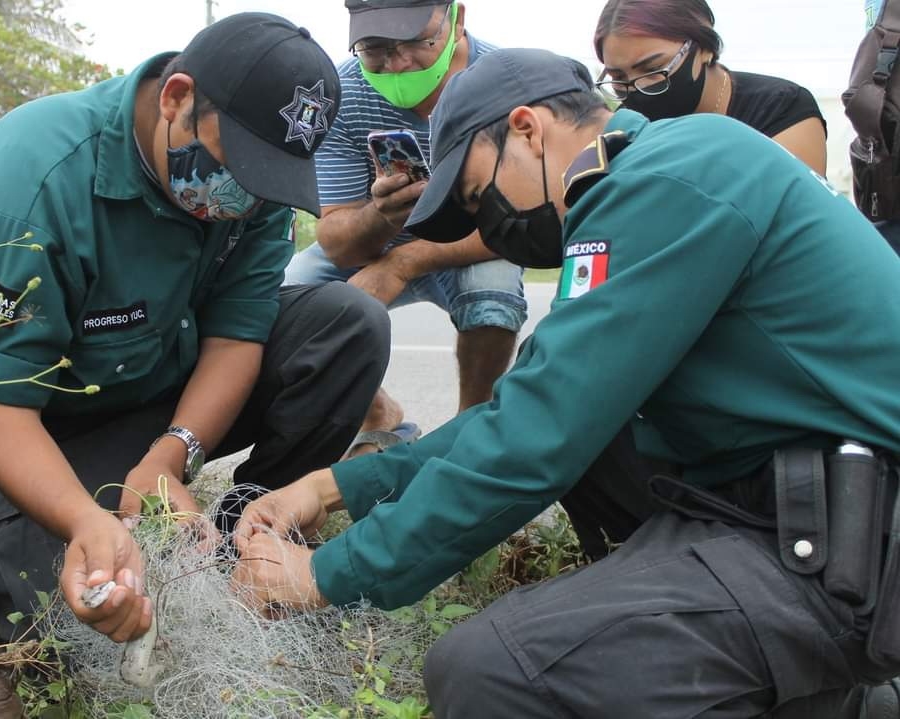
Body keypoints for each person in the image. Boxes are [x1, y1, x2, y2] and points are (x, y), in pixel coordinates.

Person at [233, 47, 900, 718]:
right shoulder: (653, 172)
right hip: (801, 502)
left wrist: (325, 574)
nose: (487, 224)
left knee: (489, 671)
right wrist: (334, 485)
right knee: (592, 435)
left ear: (526, 128)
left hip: (855, 550)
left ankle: (837, 689)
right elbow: (530, 402)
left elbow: (535, 438)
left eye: (477, 195)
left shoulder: (673, 177)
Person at [0, 12, 392, 644]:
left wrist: (171, 456)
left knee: (349, 322)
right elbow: (0, 409)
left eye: (269, 180)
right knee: (62, 611)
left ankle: (248, 539)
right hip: (38, 420)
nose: (248, 200)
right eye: (243, 168)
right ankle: (87, 515)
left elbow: (235, 338)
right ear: (177, 99)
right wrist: (84, 521)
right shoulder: (33, 178)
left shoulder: (256, 187)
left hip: (164, 385)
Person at [283, 0, 527, 455]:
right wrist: (382, 215)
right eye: (375, 48)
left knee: (493, 296)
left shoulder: (507, 84)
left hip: (472, 244)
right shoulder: (340, 94)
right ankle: (378, 415)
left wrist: (403, 262)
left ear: (457, 20)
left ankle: (470, 433)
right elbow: (335, 240)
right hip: (379, 243)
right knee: (289, 301)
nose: (397, 63)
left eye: (416, 42)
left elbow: (518, 220)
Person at [594, 0, 828, 175]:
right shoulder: (623, 131)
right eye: (618, 77)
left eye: (653, 68)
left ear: (704, 48)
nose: (637, 88)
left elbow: (793, 215)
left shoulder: (779, 107)